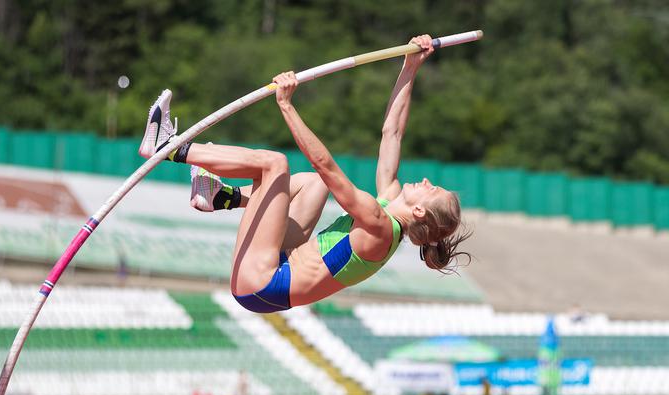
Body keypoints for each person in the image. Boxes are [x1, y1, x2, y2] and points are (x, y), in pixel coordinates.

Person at [138, 35, 471, 313]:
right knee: (311, 186)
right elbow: (392, 133)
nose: (426, 181)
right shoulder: (387, 202)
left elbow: (326, 166)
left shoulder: (379, 227)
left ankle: (169, 147)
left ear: (418, 210)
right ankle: (222, 196)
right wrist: (410, 68)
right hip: (277, 267)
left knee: (275, 165)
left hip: (261, 283)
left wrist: (286, 105)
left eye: (431, 189)